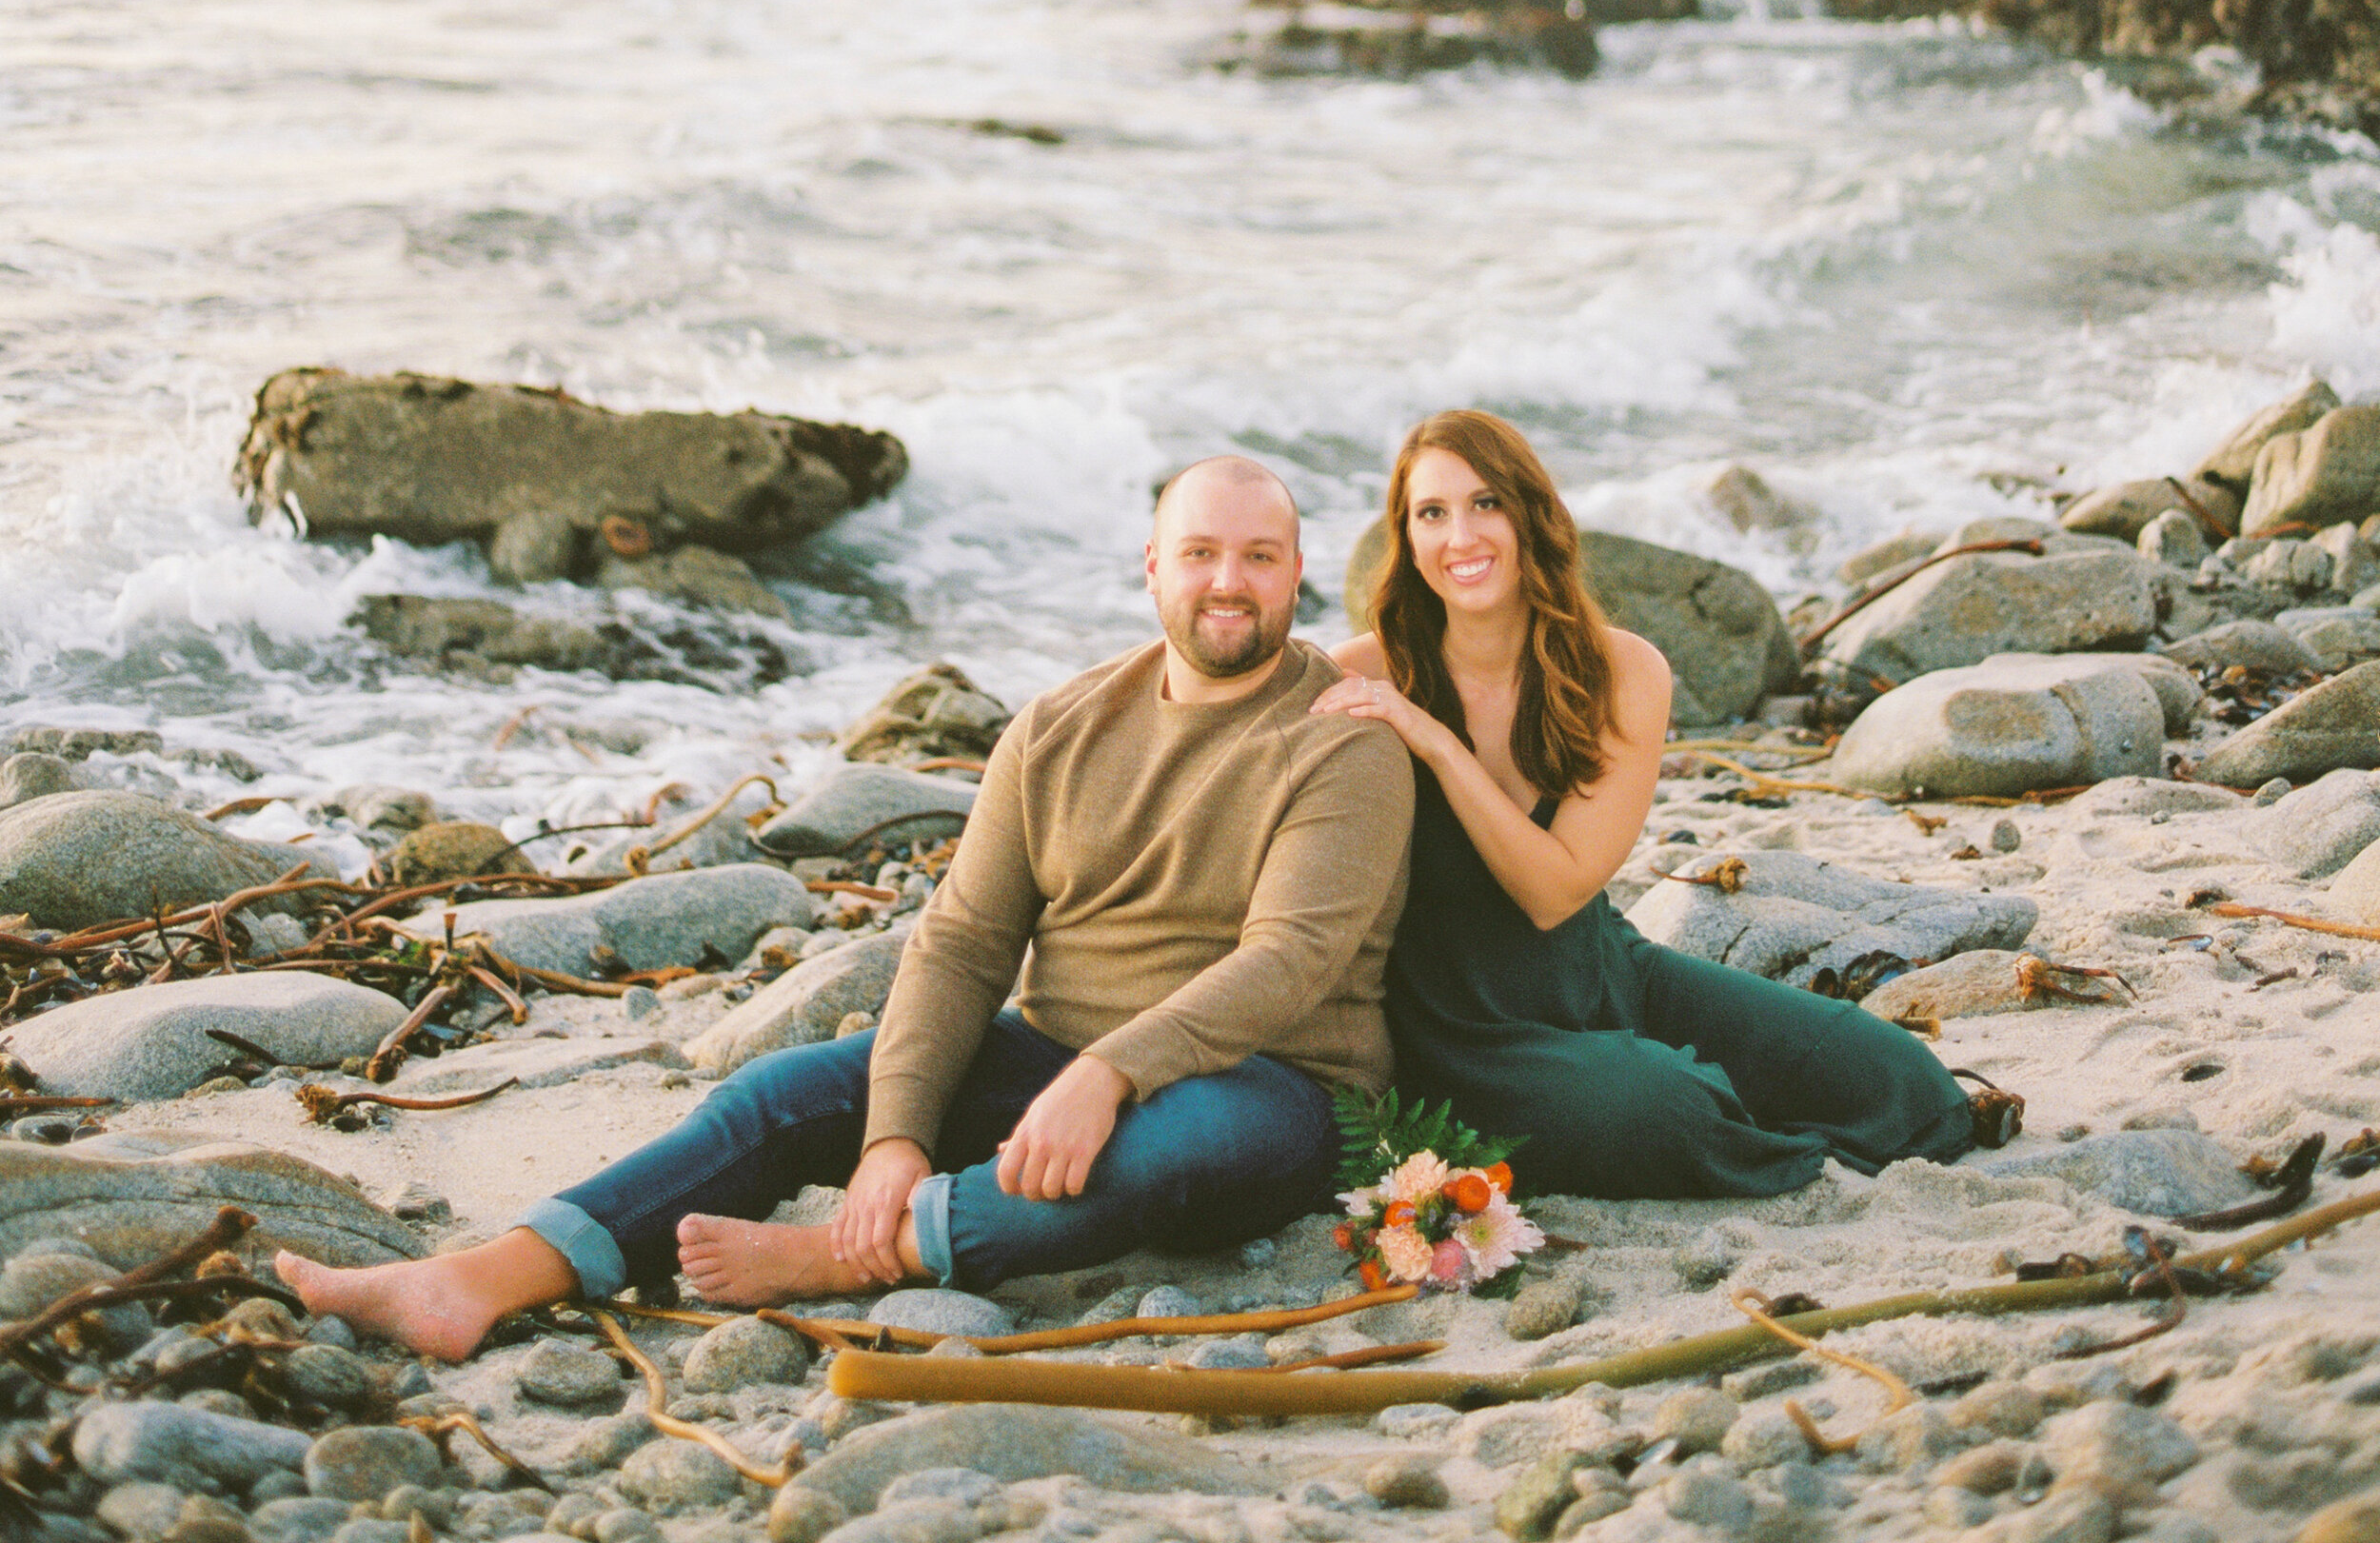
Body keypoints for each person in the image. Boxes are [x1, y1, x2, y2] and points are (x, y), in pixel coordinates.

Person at [281, 453, 1416, 1357]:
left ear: (1298, 569)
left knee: (1172, 1149)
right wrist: (895, 1139)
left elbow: (1289, 960)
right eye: (1202, 552)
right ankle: (480, 1279)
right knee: (782, 1092)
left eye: (1259, 557)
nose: (1230, 581)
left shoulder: (1341, 743)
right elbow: (965, 942)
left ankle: (848, 1257)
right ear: (1151, 567)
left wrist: (1108, 1076)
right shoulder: (1061, 726)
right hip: (1057, 1055)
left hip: (1274, 1089)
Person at [1310, 408, 1973, 1199]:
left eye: (1486, 503)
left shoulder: (1622, 671)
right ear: (1406, 539)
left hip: (1601, 974)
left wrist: (1440, 748)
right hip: (1457, 1031)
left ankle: (1659, 1082)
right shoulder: (1359, 676)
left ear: (1532, 515)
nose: (1462, 536)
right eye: (1432, 513)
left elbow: (1554, 892)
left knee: (1897, 1080)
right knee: (1667, 1109)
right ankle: (1669, 1103)